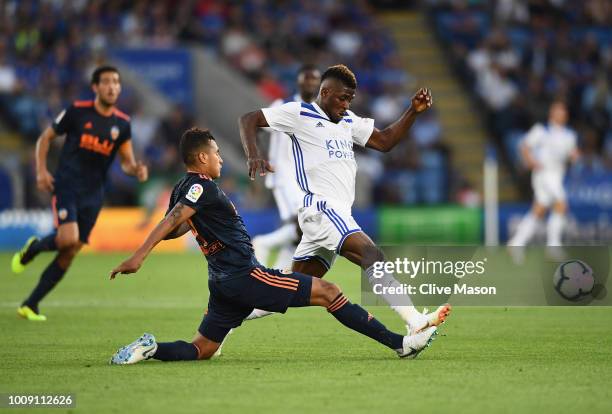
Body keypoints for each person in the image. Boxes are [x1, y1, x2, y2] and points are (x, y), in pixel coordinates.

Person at [108, 128, 438, 364]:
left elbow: (177, 226)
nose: (221, 158)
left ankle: (151, 349)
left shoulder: (183, 186)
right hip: (243, 276)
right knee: (329, 291)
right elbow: (173, 220)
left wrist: (172, 230)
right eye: (216, 153)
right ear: (200, 157)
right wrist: (138, 256)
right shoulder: (199, 187)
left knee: (203, 348)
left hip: (221, 282)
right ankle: (401, 344)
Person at [239, 64, 450, 334]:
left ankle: (231, 312)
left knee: (289, 290)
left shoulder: (348, 120)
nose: (346, 103)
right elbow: (248, 119)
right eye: (342, 97)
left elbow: (385, 142)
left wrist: (412, 112)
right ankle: (415, 321)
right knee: (372, 254)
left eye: (350, 98)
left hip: (336, 214)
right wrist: (253, 154)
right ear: (325, 92)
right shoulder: (299, 113)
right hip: (322, 208)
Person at [11, 65, 148, 321]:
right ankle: (33, 249)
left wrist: (136, 169)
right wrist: (41, 171)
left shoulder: (122, 124)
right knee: (67, 238)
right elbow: (45, 138)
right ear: (95, 87)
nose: (112, 86)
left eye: (116, 82)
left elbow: (127, 161)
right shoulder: (77, 112)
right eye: (106, 82)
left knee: (70, 250)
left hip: (93, 194)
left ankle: (30, 304)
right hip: (67, 184)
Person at [252, 64, 321, 270]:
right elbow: (256, 126)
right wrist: (259, 155)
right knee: (304, 225)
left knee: (302, 233)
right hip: (284, 176)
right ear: (298, 82)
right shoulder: (283, 105)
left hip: (305, 180)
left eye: (314, 80)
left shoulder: (319, 111)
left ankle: (278, 278)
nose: (310, 83)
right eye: (306, 79)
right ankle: (263, 243)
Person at [508, 100, 580, 250]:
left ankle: (516, 243)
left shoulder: (570, 135)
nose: (561, 114)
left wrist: (574, 157)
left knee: (539, 209)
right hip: (544, 174)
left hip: (558, 174)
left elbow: (571, 155)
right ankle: (553, 245)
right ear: (551, 113)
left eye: (563, 111)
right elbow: (524, 146)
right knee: (561, 203)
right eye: (558, 110)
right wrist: (531, 161)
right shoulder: (542, 130)